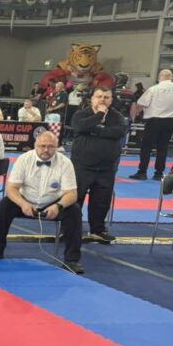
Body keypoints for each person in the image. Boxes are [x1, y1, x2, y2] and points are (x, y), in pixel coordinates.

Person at [0, 131, 84, 274]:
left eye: (51, 147)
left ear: (57, 147)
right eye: (42, 146)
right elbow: (11, 188)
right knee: (5, 205)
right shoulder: (24, 159)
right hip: (26, 201)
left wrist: (58, 206)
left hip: (53, 202)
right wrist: (22, 204)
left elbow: (72, 193)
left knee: (74, 210)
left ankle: (72, 260)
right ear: (35, 146)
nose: (46, 150)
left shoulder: (65, 163)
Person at [70, 87, 127, 244]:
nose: (102, 99)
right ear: (92, 99)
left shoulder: (117, 116)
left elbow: (119, 132)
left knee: (101, 201)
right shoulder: (81, 114)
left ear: (111, 100)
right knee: (75, 199)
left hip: (106, 168)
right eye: (99, 96)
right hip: (82, 165)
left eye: (106, 97)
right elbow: (80, 127)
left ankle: (98, 230)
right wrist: (99, 116)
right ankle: (69, 229)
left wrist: (95, 130)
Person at [130, 52, 173, 180]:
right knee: (163, 147)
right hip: (170, 121)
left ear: (160, 77)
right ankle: (159, 173)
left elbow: (141, 104)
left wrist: (137, 113)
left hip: (154, 120)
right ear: (171, 77)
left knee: (146, 147)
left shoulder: (154, 89)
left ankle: (142, 172)